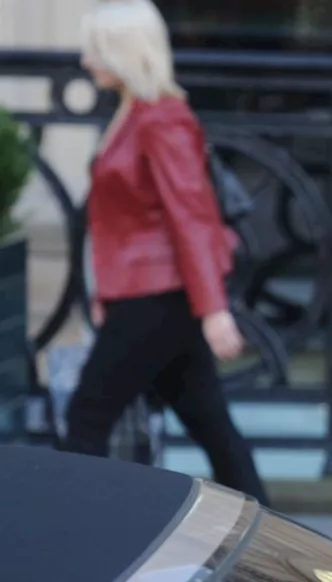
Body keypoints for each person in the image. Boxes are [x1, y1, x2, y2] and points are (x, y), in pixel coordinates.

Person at [67, 0, 269, 506]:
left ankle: (66, 534)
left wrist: (214, 308)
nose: (86, 60)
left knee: (86, 419)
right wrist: (105, 293)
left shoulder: (161, 120)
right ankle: (276, 533)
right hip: (149, 294)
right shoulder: (135, 114)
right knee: (209, 422)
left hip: (159, 296)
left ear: (123, 52)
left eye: (95, 49)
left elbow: (191, 217)